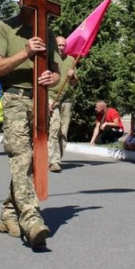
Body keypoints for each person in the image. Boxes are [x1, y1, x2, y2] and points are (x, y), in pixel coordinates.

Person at [0, 6, 60, 249]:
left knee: (33, 161)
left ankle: (9, 213)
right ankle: (31, 219)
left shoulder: (47, 33)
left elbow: (57, 71)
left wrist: (53, 78)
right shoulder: (5, 27)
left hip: (40, 100)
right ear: (23, 2)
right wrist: (26, 51)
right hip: (15, 99)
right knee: (21, 155)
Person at [48, 36, 78, 172]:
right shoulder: (49, 57)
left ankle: (57, 158)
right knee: (54, 128)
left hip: (66, 99)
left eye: (63, 45)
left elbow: (74, 83)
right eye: (59, 45)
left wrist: (73, 76)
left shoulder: (71, 60)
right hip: (51, 97)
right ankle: (53, 161)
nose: (61, 48)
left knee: (63, 131)